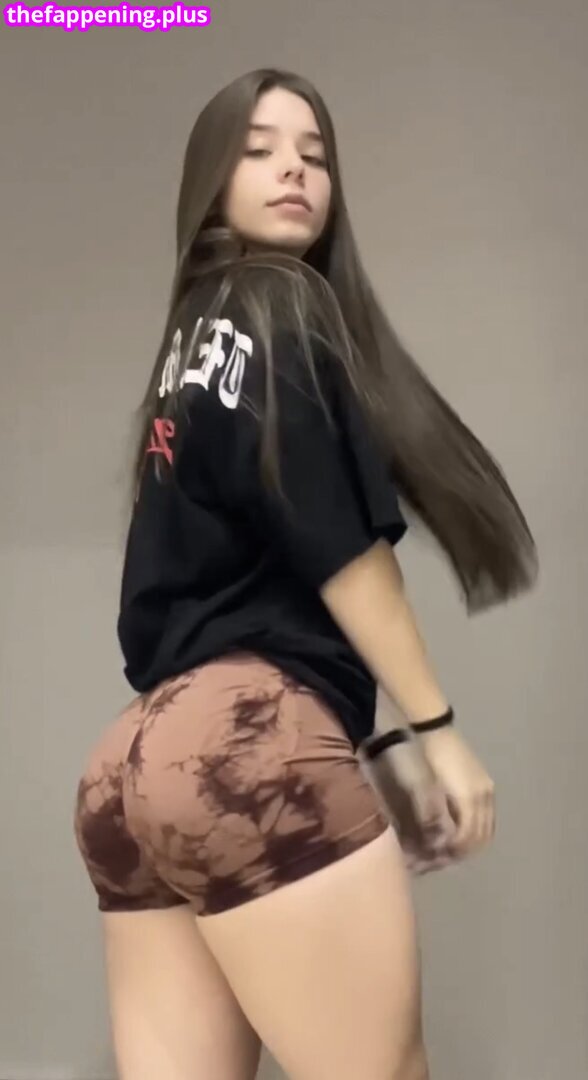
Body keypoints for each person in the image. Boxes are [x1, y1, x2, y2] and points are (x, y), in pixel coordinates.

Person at [73, 68, 538, 1080]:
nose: (293, 169)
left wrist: (360, 738)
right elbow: (341, 550)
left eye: (314, 154)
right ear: (210, 179)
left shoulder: (189, 342)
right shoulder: (281, 302)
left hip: (131, 767)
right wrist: (438, 733)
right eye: (259, 149)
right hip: (247, 748)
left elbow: (240, 575)